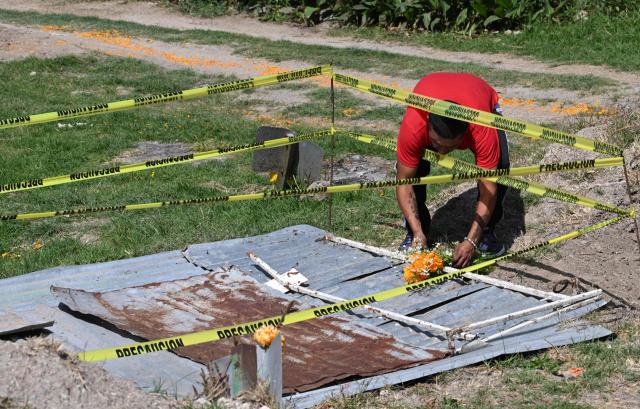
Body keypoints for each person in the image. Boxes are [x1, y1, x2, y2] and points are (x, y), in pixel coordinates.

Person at [395, 72, 510, 268]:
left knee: (500, 169)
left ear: (466, 133)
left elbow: (488, 192)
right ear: (428, 125)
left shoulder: (482, 129)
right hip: (431, 87)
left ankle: (487, 233)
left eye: (451, 147)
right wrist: (417, 232)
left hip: (479, 96)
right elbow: (404, 184)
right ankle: (417, 234)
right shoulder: (414, 124)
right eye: (437, 144)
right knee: (412, 169)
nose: (442, 153)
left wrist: (471, 240)